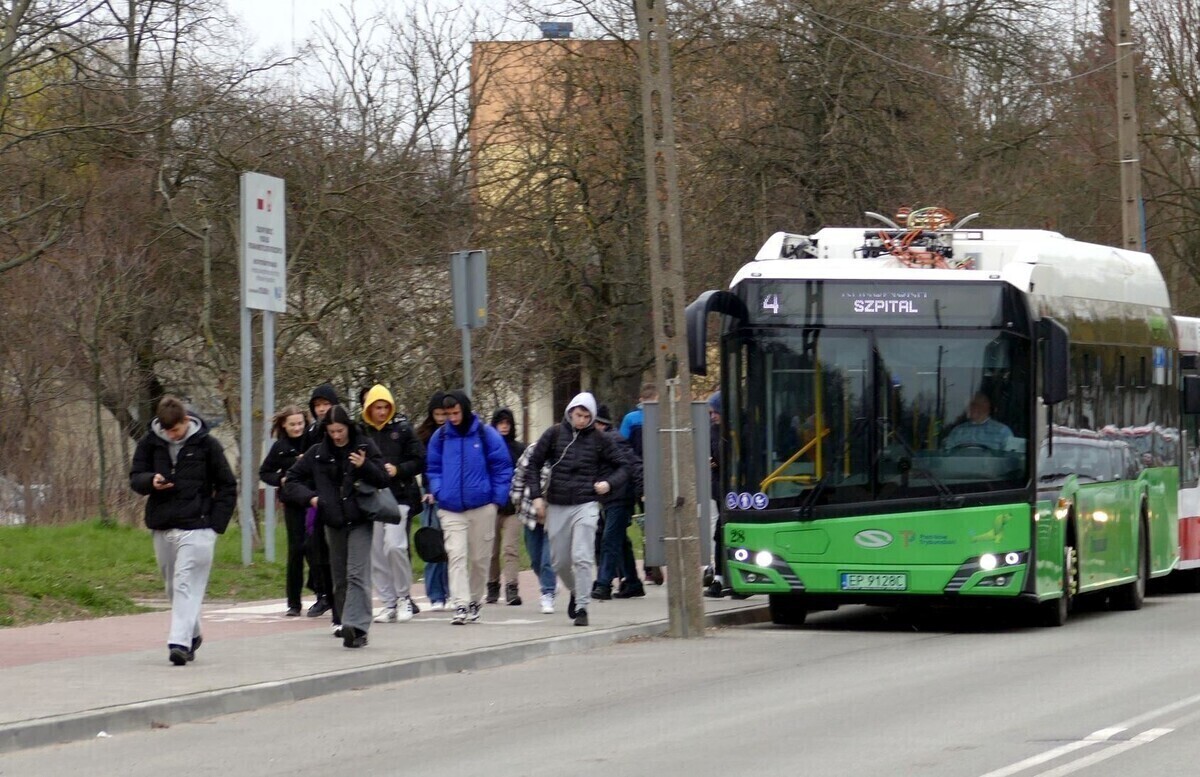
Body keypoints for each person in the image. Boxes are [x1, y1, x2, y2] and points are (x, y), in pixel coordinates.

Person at [129, 395, 237, 666]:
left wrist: (215, 525)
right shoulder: (150, 443)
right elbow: (135, 477)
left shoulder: (207, 445)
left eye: (175, 430)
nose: (171, 435)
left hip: (198, 526)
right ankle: (193, 632)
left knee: (185, 582)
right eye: (167, 431)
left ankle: (178, 643)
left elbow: (227, 485)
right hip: (163, 523)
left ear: (186, 421)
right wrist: (150, 481)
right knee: (172, 586)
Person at [283, 405, 389, 648]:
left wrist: (365, 466)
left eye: (340, 430)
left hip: (360, 518)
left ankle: (358, 626)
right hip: (333, 521)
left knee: (357, 573)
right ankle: (344, 622)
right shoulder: (318, 453)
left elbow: (383, 478)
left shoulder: (363, 445)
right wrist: (312, 498)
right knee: (339, 577)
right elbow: (292, 480)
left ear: (348, 427)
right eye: (331, 431)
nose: (337, 436)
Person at [525, 392, 630, 627]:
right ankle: (574, 590)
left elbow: (624, 466)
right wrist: (536, 497)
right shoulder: (553, 434)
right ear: (570, 412)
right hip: (558, 503)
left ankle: (582, 606)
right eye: (578, 414)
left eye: (586, 416)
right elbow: (533, 463)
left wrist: (608, 484)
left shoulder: (600, 440)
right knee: (559, 561)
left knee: (582, 556)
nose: (581, 420)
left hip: (586, 503)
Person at [425, 391, 514, 625]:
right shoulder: (440, 437)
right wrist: (439, 491)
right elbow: (433, 468)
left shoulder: (486, 435)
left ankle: (475, 599)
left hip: (482, 506)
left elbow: (502, 467)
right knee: (456, 555)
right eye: (448, 414)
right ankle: (461, 604)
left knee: (479, 558)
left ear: (464, 409)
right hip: (450, 507)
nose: (452, 418)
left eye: (456, 413)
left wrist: (496, 499)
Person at [359, 384, 425, 624]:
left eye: (386, 406)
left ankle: (404, 597)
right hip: (373, 499)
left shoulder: (404, 430)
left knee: (394, 546)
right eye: (377, 407)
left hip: (400, 498)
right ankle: (388, 602)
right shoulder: (362, 433)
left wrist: (398, 469)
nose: (382, 411)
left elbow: (419, 460)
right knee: (376, 552)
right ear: (369, 408)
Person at [259, 405, 313, 616]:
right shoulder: (279, 447)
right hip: (292, 503)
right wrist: (280, 479)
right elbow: (265, 472)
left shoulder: (313, 442)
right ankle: (294, 602)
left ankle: (320, 591)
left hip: (313, 499)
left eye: (300, 423)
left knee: (315, 549)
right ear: (284, 425)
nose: (297, 428)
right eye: (292, 424)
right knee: (296, 551)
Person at [592, 405, 644, 600]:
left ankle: (604, 584)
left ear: (599, 424)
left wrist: (640, 490)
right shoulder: (603, 440)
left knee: (609, 540)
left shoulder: (612, 440)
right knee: (619, 541)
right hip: (612, 498)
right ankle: (632, 582)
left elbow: (633, 464)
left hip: (619, 497)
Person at [300, 383, 339, 621]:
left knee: (335, 550)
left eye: (326, 404)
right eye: (318, 405)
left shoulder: (343, 429)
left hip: (338, 498)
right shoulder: (312, 432)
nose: (322, 409)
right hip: (316, 499)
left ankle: (338, 596)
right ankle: (322, 593)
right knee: (314, 548)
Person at [618, 382, 663, 586]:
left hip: (633, 476)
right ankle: (651, 565)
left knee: (641, 521)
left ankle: (643, 567)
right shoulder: (661, 417)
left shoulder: (630, 419)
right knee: (652, 521)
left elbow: (620, 444)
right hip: (653, 476)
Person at [511, 442, 558, 613]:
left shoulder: (567, 454)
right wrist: (516, 501)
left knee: (547, 560)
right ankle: (549, 582)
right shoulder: (533, 450)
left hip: (554, 514)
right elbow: (519, 476)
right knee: (535, 559)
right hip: (530, 512)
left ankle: (548, 592)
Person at [487, 408, 525, 606]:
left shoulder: (518, 449)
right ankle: (492, 585)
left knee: (510, 549)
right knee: (491, 550)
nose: (504, 426)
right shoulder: (487, 448)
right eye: (500, 422)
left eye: (507, 423)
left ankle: (512, 587)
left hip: (513, 507)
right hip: (492, 505)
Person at [416, 391, 450, 610]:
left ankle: (449, 590)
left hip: (451, 493)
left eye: (444, 414)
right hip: (430, 495)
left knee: (451, 548)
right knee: (432, 546)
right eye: (437, 414)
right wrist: (427, 490)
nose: (441, 419)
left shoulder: (455, 434)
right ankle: (435, 594)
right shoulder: (424, 436)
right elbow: (424, 466)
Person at [705, 391, 730, 598]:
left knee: (720, 533)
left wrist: (717, 461)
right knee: (719, 533)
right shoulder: (712, 431)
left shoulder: (733, 430)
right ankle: (721, 577)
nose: (712, 416)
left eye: (714, 412)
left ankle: (722, 578)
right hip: (719, 489)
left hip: (730, 489)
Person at [943, 392, 1013, 452]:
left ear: (987, 407)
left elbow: (1009, 459)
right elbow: (947, 454)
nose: (974, 408)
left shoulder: (1002, 431)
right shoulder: (958, 431)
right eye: (972, 405)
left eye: (978, 405)